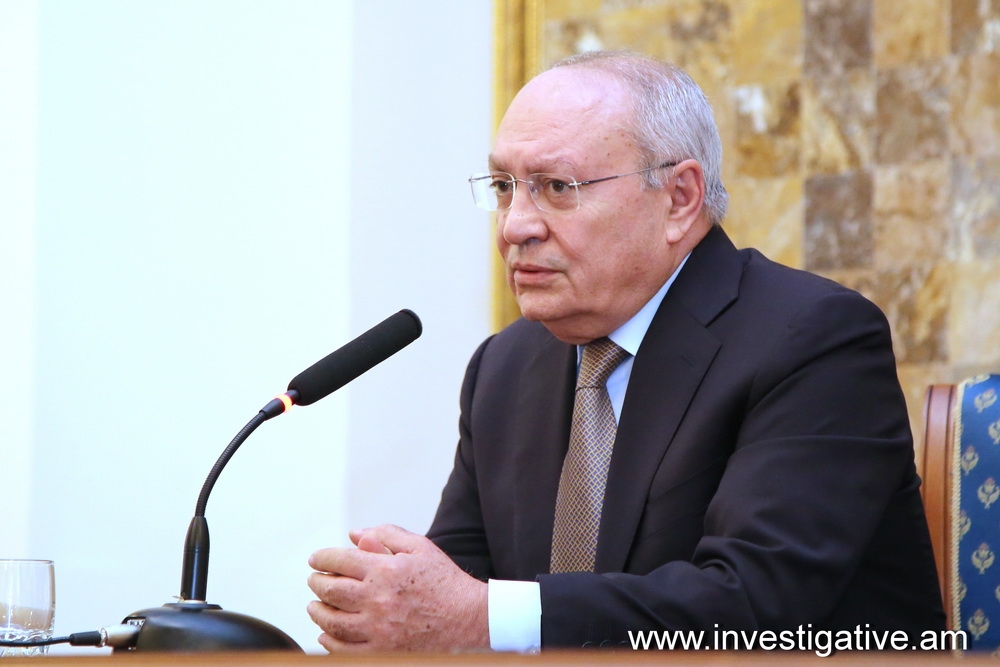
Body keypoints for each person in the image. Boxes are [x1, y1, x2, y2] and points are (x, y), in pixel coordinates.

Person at [305, 50, 945, 652]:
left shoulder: (813, 338)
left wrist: (483, 619)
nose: (515, 225)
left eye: (557, 187)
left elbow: (753, 609)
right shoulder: (504, 367)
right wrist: (395, 611)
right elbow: (457, 590)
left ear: (679, 198)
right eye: (503, 185)